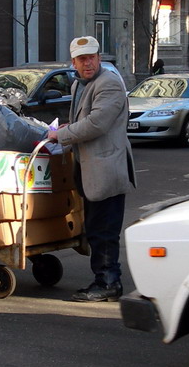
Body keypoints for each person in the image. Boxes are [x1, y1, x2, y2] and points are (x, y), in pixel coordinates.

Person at [47, 36, 136, 302]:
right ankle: (105, 279)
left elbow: (97, 123)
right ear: (73, 62)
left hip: (107, 168)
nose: (88, 63)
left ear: (99, 58)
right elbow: (84, 119)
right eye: (82, 59)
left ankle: (109, 282)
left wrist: (61, 136)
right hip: (90, 169)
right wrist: (67, 128)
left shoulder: (108, 82)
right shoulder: (79, 85)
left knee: (104, 230)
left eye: (92, 57)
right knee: (96, 228)